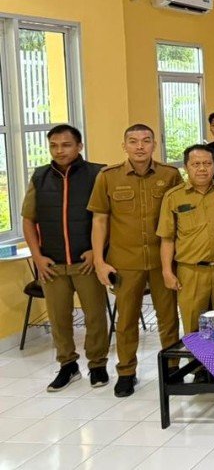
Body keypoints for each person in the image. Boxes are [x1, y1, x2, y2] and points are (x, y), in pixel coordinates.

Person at [89, 124, 183, 397]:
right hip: (124, 262)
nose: (139, 146)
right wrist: (99, 261)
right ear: (124, 146)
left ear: (154, 144)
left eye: (145, 140)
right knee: (126, 320)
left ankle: (172, 369)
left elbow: (180, 217)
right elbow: (99, 220)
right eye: (133, 141)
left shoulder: (170, 175)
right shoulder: (108, 177)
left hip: (162, 260)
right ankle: (126, 372)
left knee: (168, 319)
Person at [24, 125, 109, 393]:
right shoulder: (39, 177)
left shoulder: (98, 174)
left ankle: (98, 365)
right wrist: (37, 257)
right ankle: (67, 365)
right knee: (59, 319)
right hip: (52, 265)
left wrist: (97, 252)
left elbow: (108, 218)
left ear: (79, 146)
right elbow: (28, 220)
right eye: (54, 145)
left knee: (95, 317)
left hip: (86, 263)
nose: (59, 150)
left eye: (66, 145)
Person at [158, 144, 214, 335]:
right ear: (186, 167)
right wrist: (167, 271)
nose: (202, 168)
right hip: (191, 271)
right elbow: (167, 238)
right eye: (196, 164)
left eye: (207, 163)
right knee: (193, 327)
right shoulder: (173, 197)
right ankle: (195, 356)